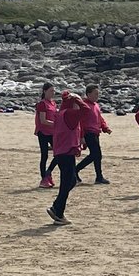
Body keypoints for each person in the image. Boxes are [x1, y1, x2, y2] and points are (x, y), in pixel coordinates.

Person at [47, 92, 85, 225]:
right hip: (66, 152)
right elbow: (85, 110)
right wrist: (78, 100)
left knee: (71, 181)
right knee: (66, 183)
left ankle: (57, 206)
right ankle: (58, 211)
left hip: (62, 151)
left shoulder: (60, 113)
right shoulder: (69, 113)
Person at [76, 83, 112, 184]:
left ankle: (98, 176)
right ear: (88, 94)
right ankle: (76, 170)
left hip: (96, 132)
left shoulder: (96, 105)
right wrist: (81, 136)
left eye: (98, 94)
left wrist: (105, 128)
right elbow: (80, 122)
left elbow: (99, 118)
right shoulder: (84, 105)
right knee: (95, 154)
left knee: (96, 155)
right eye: (95, 94)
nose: (97, 96)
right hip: (88, 133)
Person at [35, 83, 58, 188]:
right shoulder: (42, 104)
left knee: (58, 153)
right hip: (43, 132)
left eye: (53, 91)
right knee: (44, 155)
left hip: (53, 132)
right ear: (45, 91)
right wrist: (56, 124)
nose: (53, 93)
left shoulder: (53, 103)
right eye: (51, 91)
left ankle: (48, 172)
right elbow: (43, 120)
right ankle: (44, 179)